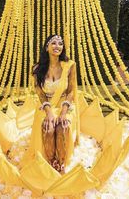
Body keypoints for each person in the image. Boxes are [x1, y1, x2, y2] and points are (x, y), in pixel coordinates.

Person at [28, 34, 79, 174]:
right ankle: (52, 162)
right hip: (46, 106)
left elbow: (71, 91)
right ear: (47, 47)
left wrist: (63, 112)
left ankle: (61, 163)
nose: (58, 46)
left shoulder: (70, 65)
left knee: (62, 126)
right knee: (48, 128)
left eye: (60, 44)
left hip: (65, 105)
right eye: (54, 43)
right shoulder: (37, 68)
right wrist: (49, 112)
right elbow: (40, 93)